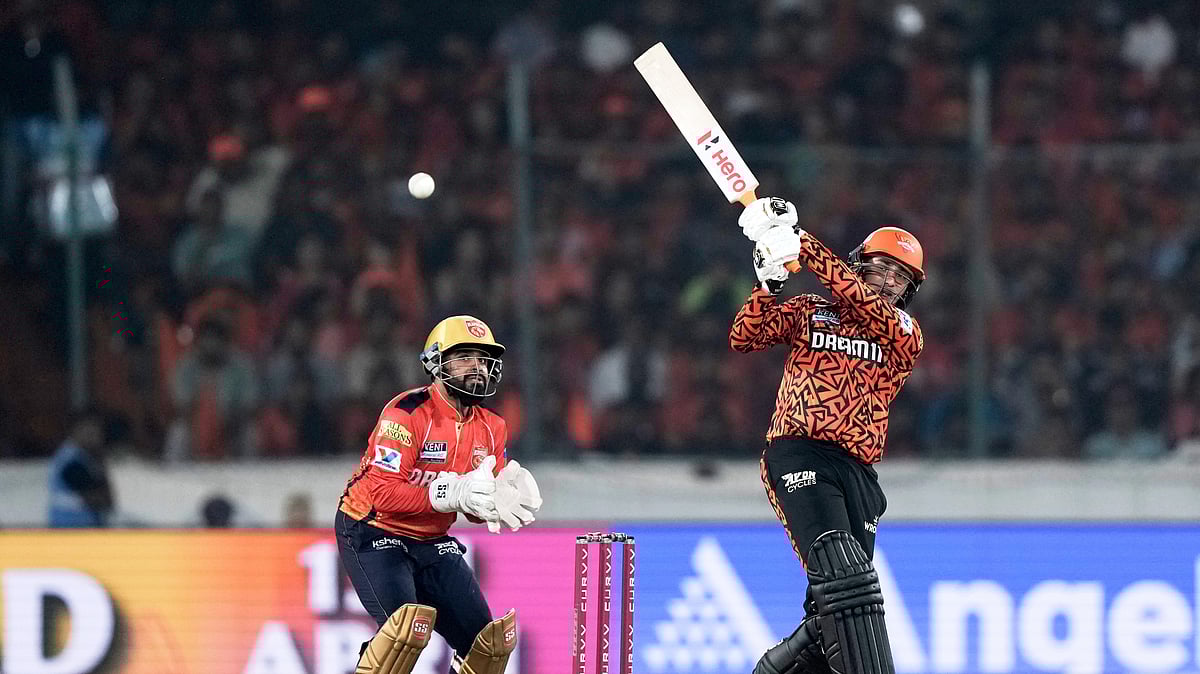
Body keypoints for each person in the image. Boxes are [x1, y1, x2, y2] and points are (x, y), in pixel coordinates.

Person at [730, 198, 926, 674]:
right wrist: (768, 284)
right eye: (881, 268)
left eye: (901, 277)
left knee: (838, 613)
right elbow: (744, 337)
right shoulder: (810, 311)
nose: (888, 282)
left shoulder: (903, 332)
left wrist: (802, 243)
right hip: (799, 453)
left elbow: (860, 301)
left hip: (858, 472)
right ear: (860, 263)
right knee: (845, 576)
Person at [335, 315, 542, 674]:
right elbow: (382, 494)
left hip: (431, 539)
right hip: (372, 530)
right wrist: (446, 493)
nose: (477, 368)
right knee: (402, 636)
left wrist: (495, 501)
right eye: (464, 357)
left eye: (482, 359)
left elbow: (471, 506)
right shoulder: (406, 413)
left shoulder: (493, 427)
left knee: (487, 647)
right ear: (436, 363)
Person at [48, 408, 114, 527]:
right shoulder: (71, 461)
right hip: (72, 526)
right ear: (75, 431)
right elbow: (101, 500)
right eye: (90, 431)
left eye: (98, 431)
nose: (96, 436)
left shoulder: (82, 456)